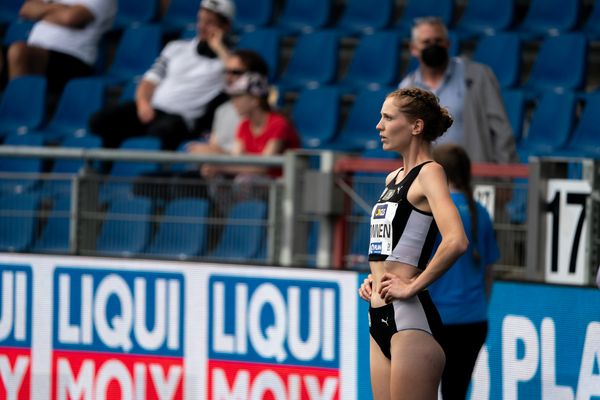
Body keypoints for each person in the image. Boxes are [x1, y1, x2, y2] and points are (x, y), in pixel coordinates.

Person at [357, 87, 468, 400]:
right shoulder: (392, 178)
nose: (379, 125)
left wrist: (413, 285)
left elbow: (457, 240)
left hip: (411, 318)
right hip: (378, 313)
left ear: (416, 126)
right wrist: (374, 278)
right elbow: (391, 247)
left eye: (388, 118)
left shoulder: (430, 173)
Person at [88, 0, 235, 150]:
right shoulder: (176, 47)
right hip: (152, 109)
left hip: (181, 120)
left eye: (210, 23)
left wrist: (219, 48)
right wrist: (143, 103)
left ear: (225, 26)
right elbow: (149, 80)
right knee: (100, 121)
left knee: (161, 132)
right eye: (201, 20)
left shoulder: (228, 61)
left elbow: (237, 77)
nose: (202, 27)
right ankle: (107, 168)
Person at [429, 143, 500, 400]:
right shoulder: (480, 213)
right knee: (455, 392)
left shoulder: (432, 212)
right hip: (473, 320)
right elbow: (489, 271)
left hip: (435, 320)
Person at [399, 17, 518, 164]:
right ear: (414, 49)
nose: (433, 46)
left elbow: (501, 129)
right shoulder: (406, 89)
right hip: (427, 180)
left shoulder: (477, 76)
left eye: (438, 41)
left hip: (472, 177)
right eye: (426, 42)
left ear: (448, 44)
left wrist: (504, 176)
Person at [200, 71, 300, 181]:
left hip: (279, 187)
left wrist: (221, 168)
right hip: (255, 184)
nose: (233, 102)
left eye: (238, 96)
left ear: (255, 100)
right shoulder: (244, 125)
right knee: (216, 177)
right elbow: (235, 160)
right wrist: (214, 164)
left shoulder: (279, 123)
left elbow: (264, 167)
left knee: (244, 180)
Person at [1, 0, 116, 94]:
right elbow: (26, 9)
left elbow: (70, 18)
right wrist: (60, 9)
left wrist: (44, 10)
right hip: (36, 53)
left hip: (73, 59)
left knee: (19, 51)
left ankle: (20, 112)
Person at [185, 49, 270, 156]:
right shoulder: (222, 110)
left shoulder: (264, 115)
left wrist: (218, 155)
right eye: (226, 72)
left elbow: (260, 162)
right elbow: (214, 146)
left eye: (236, 72)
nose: (229, 77)